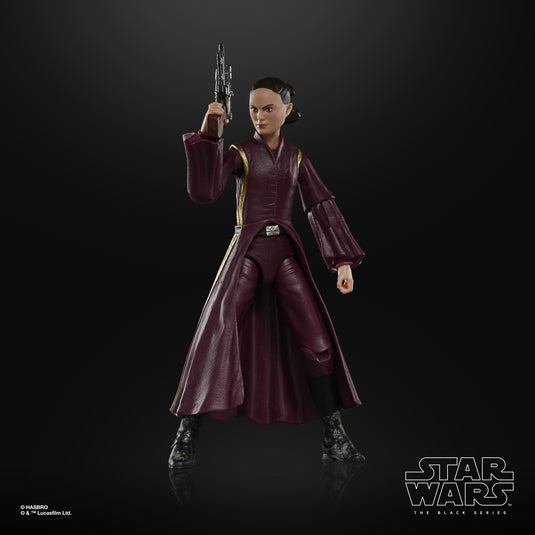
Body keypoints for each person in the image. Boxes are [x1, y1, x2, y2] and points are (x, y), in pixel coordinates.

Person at [168, 77, 366, 468]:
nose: (259, 116)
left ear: (287, 111)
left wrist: (341, 259)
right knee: (216, 335)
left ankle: (335, 436)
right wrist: (211, 131)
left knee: (318, 343)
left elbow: (320, 205)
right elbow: (206, 190)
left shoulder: (296, 157)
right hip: (249, 252)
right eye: (254, 109)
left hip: (285, 254)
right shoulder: (241, 153)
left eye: (269, 108)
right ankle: (185, 435)